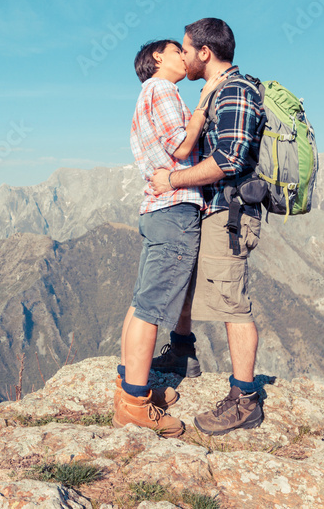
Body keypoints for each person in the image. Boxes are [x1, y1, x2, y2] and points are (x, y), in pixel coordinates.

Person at [150, 17, 267, 434]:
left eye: (185, 49)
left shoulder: (234, 91)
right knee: (191, 280)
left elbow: (229, 161)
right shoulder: (214, 92)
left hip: (230, 214)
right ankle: (183, 352)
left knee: (232, 302)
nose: (180, 56)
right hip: (213, 209)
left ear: (205, 52)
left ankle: (245, 399)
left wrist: (173, 180)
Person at [115, 38, 220, 437]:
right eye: (179, 50)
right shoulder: (162, 90)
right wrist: (204, 104)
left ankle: (128, 387)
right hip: (176, 208)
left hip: (157, 209)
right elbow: (180, 147)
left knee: (142, 301)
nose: (185, 56)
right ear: (159, 57)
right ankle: (135, 404)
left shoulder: (148, 95)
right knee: (153, 309)